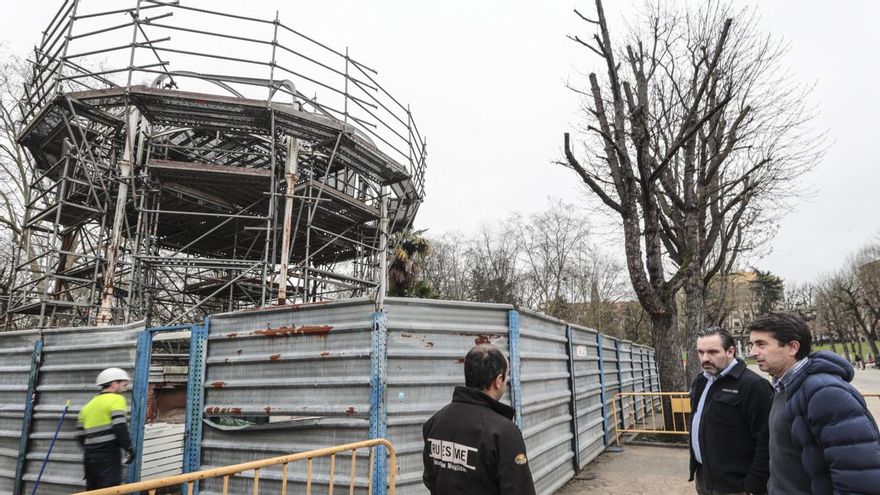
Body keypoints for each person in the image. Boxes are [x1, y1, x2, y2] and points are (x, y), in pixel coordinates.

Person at [748, 312, 880, 494]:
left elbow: (859, 477)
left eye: (761, 344)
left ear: (792, 347)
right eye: (752, 344)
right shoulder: (784, 388)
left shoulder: (825, 393)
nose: (752, 352)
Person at [422, 344, 535, 495]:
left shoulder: (435, 422)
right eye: (506, 376)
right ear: (498, 380)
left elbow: (430, 480)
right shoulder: (504, 432)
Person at [688, 327, 773, 495]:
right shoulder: (701, 382)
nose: (705, 358)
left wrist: (753, 485)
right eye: (701, 352)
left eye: (712, 352)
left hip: (737, 487)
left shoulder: (754, 386)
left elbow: (766, 441)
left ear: (730, 351)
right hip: (704, 478)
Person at [77, 367, 135, 490]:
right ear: (114, 384)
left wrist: (92, 449)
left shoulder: (87, 406)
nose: (125, 388)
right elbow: (120, 427)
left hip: (89, 456)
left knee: (92, 490)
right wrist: (128, 448)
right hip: (108, 455)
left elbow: (80, 436)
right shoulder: (117, 399)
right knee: (110, 490)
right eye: (124, 385)